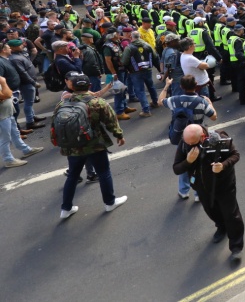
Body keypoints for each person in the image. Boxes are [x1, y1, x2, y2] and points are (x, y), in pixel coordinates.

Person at [56, 72, 127, 219]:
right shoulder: (97, 102)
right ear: (89, 86)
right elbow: (111, 121)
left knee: (73, 176)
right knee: (103, 172)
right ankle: (109, 202)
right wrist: (119, 135)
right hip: (94, 144)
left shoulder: (63, 103)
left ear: (72, 87)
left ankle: (65, 209)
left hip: (72, 146)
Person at [172, 123, 244, 262]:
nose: (190, 146)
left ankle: (236, 247)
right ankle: (221, 227)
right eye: (187, 143)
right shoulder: (185, 143)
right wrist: (188, 161)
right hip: (202, 188)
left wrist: (223, 165)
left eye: (193, 143)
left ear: (203, 137)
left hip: (224, 186)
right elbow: (176, 169)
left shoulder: (220, 138)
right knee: (212, 211)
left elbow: (235, 155)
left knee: (231, 215)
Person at [159, 74, 217, 201]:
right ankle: (198, 193)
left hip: (182, 138)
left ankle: (183, 190)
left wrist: (167, 85)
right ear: (196, 86)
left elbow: (160, 101)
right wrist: (210, 103)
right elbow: (214, 117)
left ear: (181, 86)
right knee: (199, 164)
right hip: (198, 136)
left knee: (185, 162)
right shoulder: (201, 101)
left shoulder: (175, 100)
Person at [0, 74, 43, 168]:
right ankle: (8, 160)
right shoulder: (1, 80)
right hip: (2, 116)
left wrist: (5, 90)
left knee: (15, 133)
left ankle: (26, 150)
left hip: (7, 112)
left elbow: (8, 93)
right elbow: (7, 94)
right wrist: (3, 83)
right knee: (4, 139)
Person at [121, 31, 160, 118]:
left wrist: (126, 69)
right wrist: (159, 69)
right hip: (148, 70)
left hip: (135, 72)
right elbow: (155, 57)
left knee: (140, 90)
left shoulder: (129, 48)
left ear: (131, 37)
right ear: (140, 36)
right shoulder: (148, 45)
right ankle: (155, 102)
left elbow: (124, 61)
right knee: (151, 87)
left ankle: (146, 110)